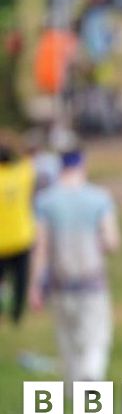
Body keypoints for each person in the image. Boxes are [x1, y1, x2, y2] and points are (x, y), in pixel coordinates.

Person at [30, 147, 120, 383]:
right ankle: (90, 374)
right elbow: (111, 241)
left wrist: (35, 285)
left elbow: (41, 248)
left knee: (66, 337)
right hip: (91, 279)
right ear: (83, 165)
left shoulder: (45, 201)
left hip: (61, 281)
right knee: (96, 336)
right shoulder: (99, 198)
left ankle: (73, 386)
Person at [0, 130, 36, 326]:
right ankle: (17, 315)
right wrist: (14, 140)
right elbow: (28, 158)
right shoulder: (21, 175)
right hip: (21, 238)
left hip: (1, 241)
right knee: (20, 282)